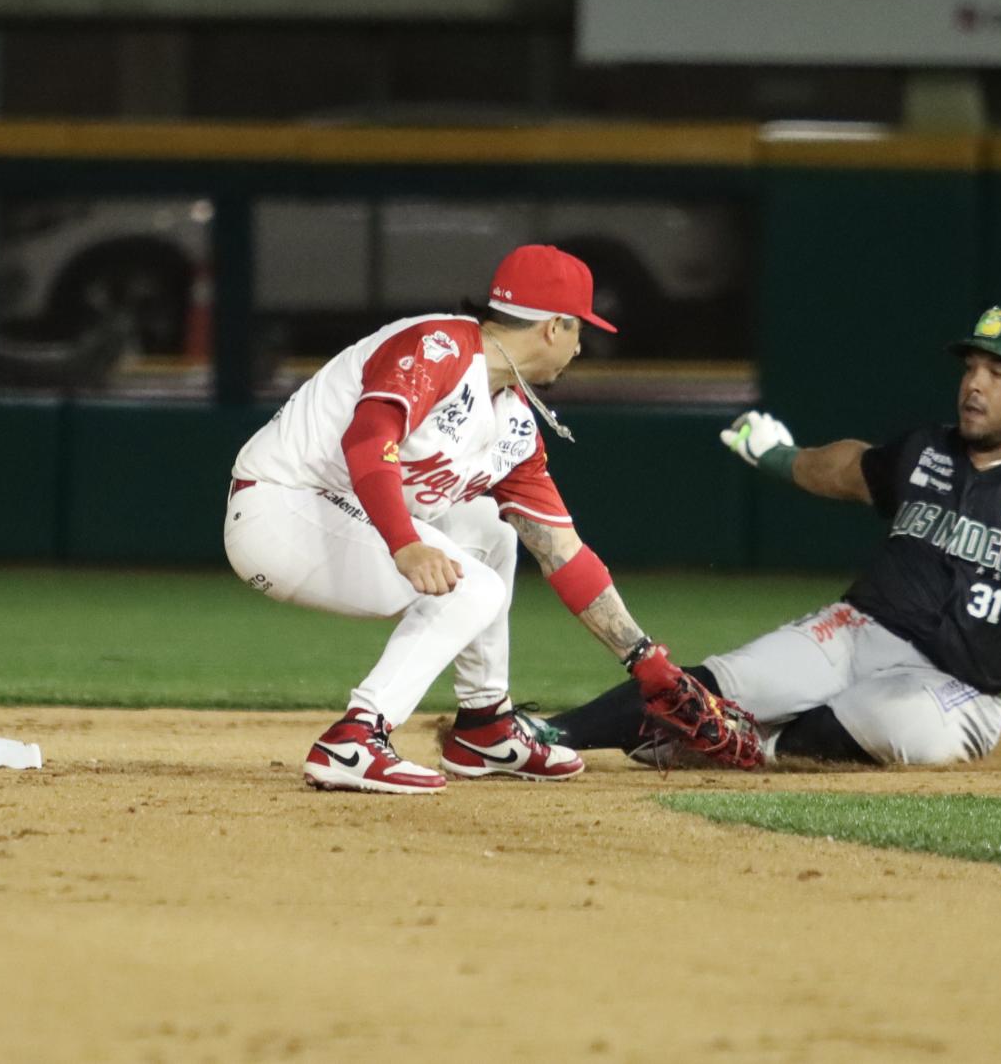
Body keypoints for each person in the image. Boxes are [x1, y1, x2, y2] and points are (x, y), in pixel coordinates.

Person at [544, 304, 1001, 768]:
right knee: (724, 682)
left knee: (903, 727)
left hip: (960, 685)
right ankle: (548, 734)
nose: (974, 384)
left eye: (999, 373)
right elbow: (844, 468)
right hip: (857, 630)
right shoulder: (927, 450)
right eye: (971, 367)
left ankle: (746, 746)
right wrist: (778, 456)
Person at [223, 244, 761, 795]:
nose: (580, 347)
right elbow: (367, 440)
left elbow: (563, 552)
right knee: (473, 588)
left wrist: (646, 662)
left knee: (492, 531)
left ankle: (484, 726)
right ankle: (356, 737)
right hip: (280, 509)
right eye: (579, 330)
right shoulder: (439, 347)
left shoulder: (512, 423)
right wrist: (406, 543)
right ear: (553, 327)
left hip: (337, 514)